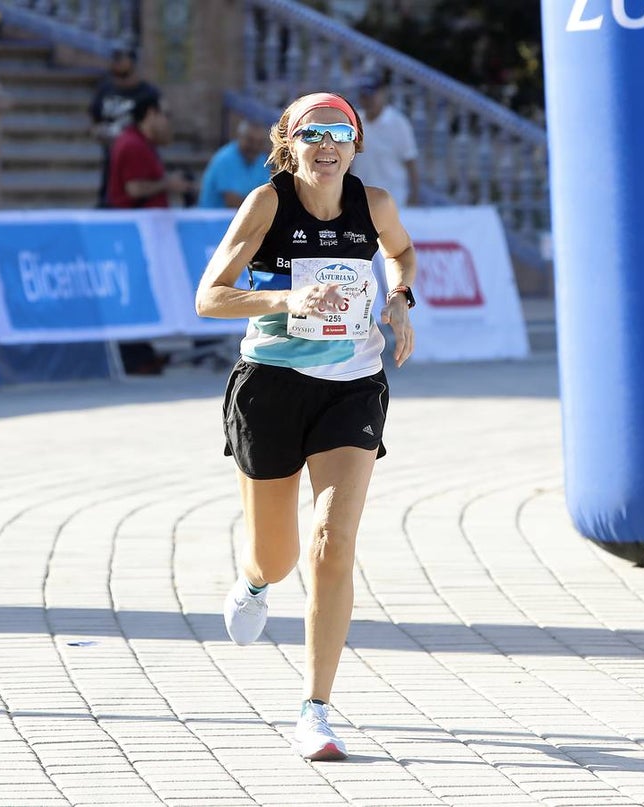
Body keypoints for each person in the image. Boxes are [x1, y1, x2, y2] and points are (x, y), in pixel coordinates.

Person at [195, 91, 416, 761]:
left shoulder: (372, 205)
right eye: (311, 133)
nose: (327, 144)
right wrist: (285, 296)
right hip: (271, 386)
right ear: (288, 145)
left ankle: (315, 708)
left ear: (356, 145)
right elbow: (209, 296)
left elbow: (401, 254)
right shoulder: (267, 204)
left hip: (352, 385)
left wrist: (400, 303)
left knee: (331, 540)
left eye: (339, 133)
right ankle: (256, 580)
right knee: (279, 554)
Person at [108, 95, 195, 374]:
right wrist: (168, 184)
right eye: (165, 115)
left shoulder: (143, 144)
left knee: (142, 293)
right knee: (134, 293)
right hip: (133, 234)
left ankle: (142, 352)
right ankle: (134, 357)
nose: (169, 122)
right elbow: (133, 189)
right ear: (151, 114)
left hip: (144, 234)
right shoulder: (132, 145)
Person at [90, 44, 160, 208]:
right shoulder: (105, 90)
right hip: (113, 157)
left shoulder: (147, 93)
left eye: (121, 58)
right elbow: (94, 122)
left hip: (138, 157)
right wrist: (101, 134)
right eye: (114, 59)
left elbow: (160, 128)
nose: (116, 63)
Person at [349, 72, 420, 208]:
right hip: (362, 202)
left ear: (382, 93)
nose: (368, 100)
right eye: (364, 96)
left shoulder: (398, 123)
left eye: (371, 95)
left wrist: (414, 196)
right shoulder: (354, 123)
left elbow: (411, 162)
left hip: (394, 202)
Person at [198, 120, 272, 209]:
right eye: (250, 140)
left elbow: (267, 194)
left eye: (260, 143)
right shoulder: (226, 159)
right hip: (214, 219)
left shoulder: (261, 159)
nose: (254, 146)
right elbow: (233, 202)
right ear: (239, 137)